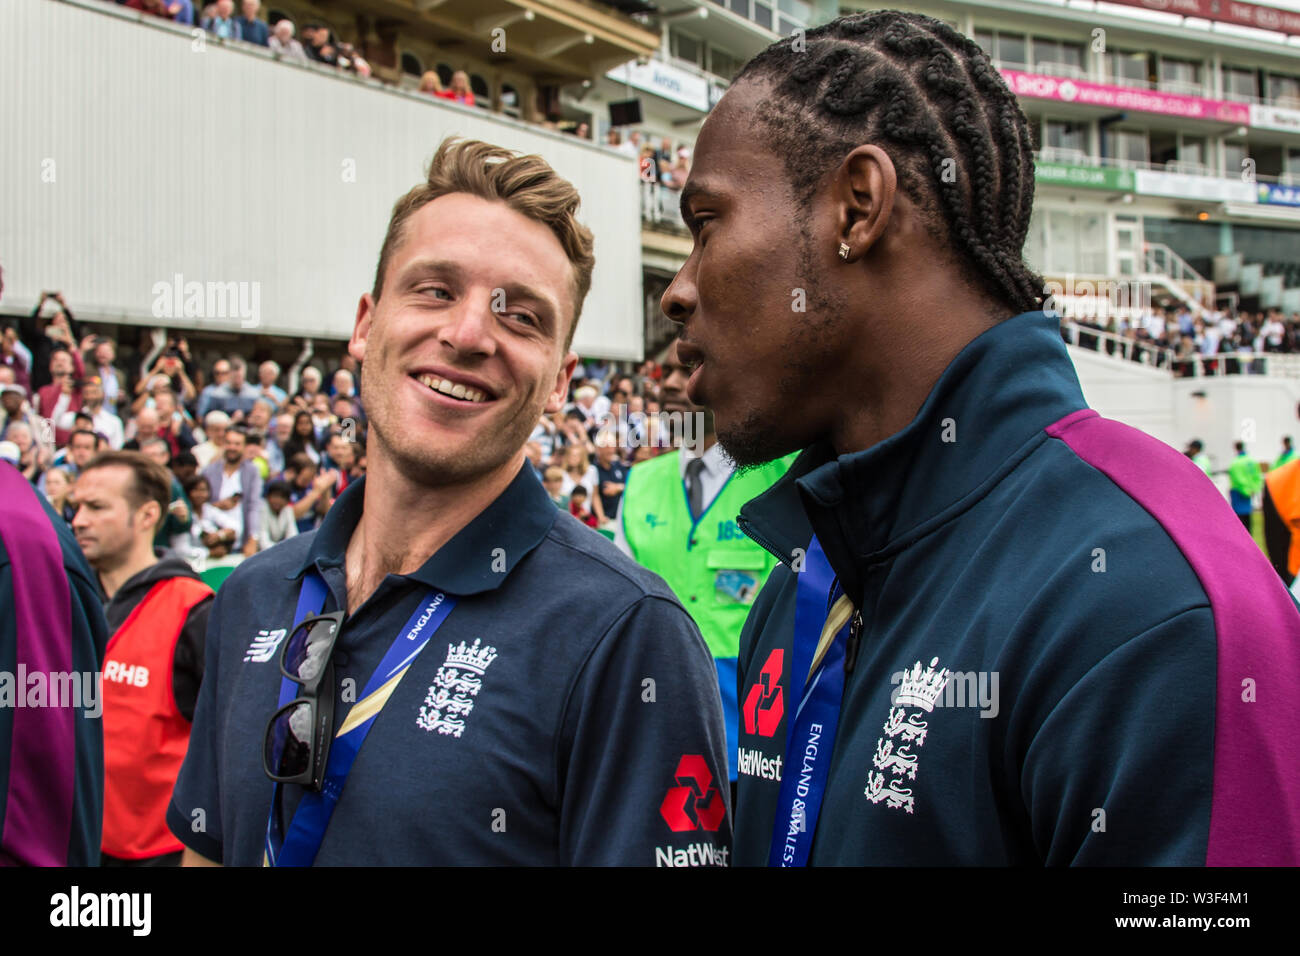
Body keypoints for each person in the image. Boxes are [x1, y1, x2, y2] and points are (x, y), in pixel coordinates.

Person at [662, 10, 1300, 865]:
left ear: (857, 207)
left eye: (706, 225)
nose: (677, 287)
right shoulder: (800, 580)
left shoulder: (1154, 599)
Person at [168, 138, 729, 866]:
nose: (467, 335)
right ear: (367, 324)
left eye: (521, 316)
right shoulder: (255, 593)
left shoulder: (624, 637)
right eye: (435, 289)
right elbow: (208, 851)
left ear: (559, 382)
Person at [616, 340, 793, 787]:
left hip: (756, 735)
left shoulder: (780, 477)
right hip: (658, 721)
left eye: (689, 369)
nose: (671, 386)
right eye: (666, 375)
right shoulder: (641, 482)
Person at [71, 452, 213, 865]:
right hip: (74, 842)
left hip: (159, 852)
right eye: (76, 507)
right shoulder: (66, 599)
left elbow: (228, 746)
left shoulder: (194, 610)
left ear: (148, 514)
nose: (79, 520)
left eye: (96, 507)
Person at [200, 427, 263, 557]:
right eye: (228, 443)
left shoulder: (252, 472)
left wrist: (253, 538)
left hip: (241, 542)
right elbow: (199, 503)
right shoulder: (209, 471)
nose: (232, 447)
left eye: (237, 444)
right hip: (215, 542)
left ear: (244, 446)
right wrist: (218, 505)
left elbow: (254, 506)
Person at [1228, 441, 1263, 532]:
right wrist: (1253, 489)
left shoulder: (1235, 463)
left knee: (1240, 520)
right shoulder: (1251, 461)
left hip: (1239, 492)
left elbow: (1237, 479)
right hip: (1249, 492)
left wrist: (1245, 490)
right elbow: (1257, 476)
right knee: (1248, 517)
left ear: (1235, 448)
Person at [258, 479, 300, 550]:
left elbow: (293, 535)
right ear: (268, 497)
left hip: (280, 550)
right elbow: (263, 541)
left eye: (282, 497)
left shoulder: (287, 510)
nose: (278, 500)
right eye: (275, 496)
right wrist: (281, 550)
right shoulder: (263, 509)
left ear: (287, 501)